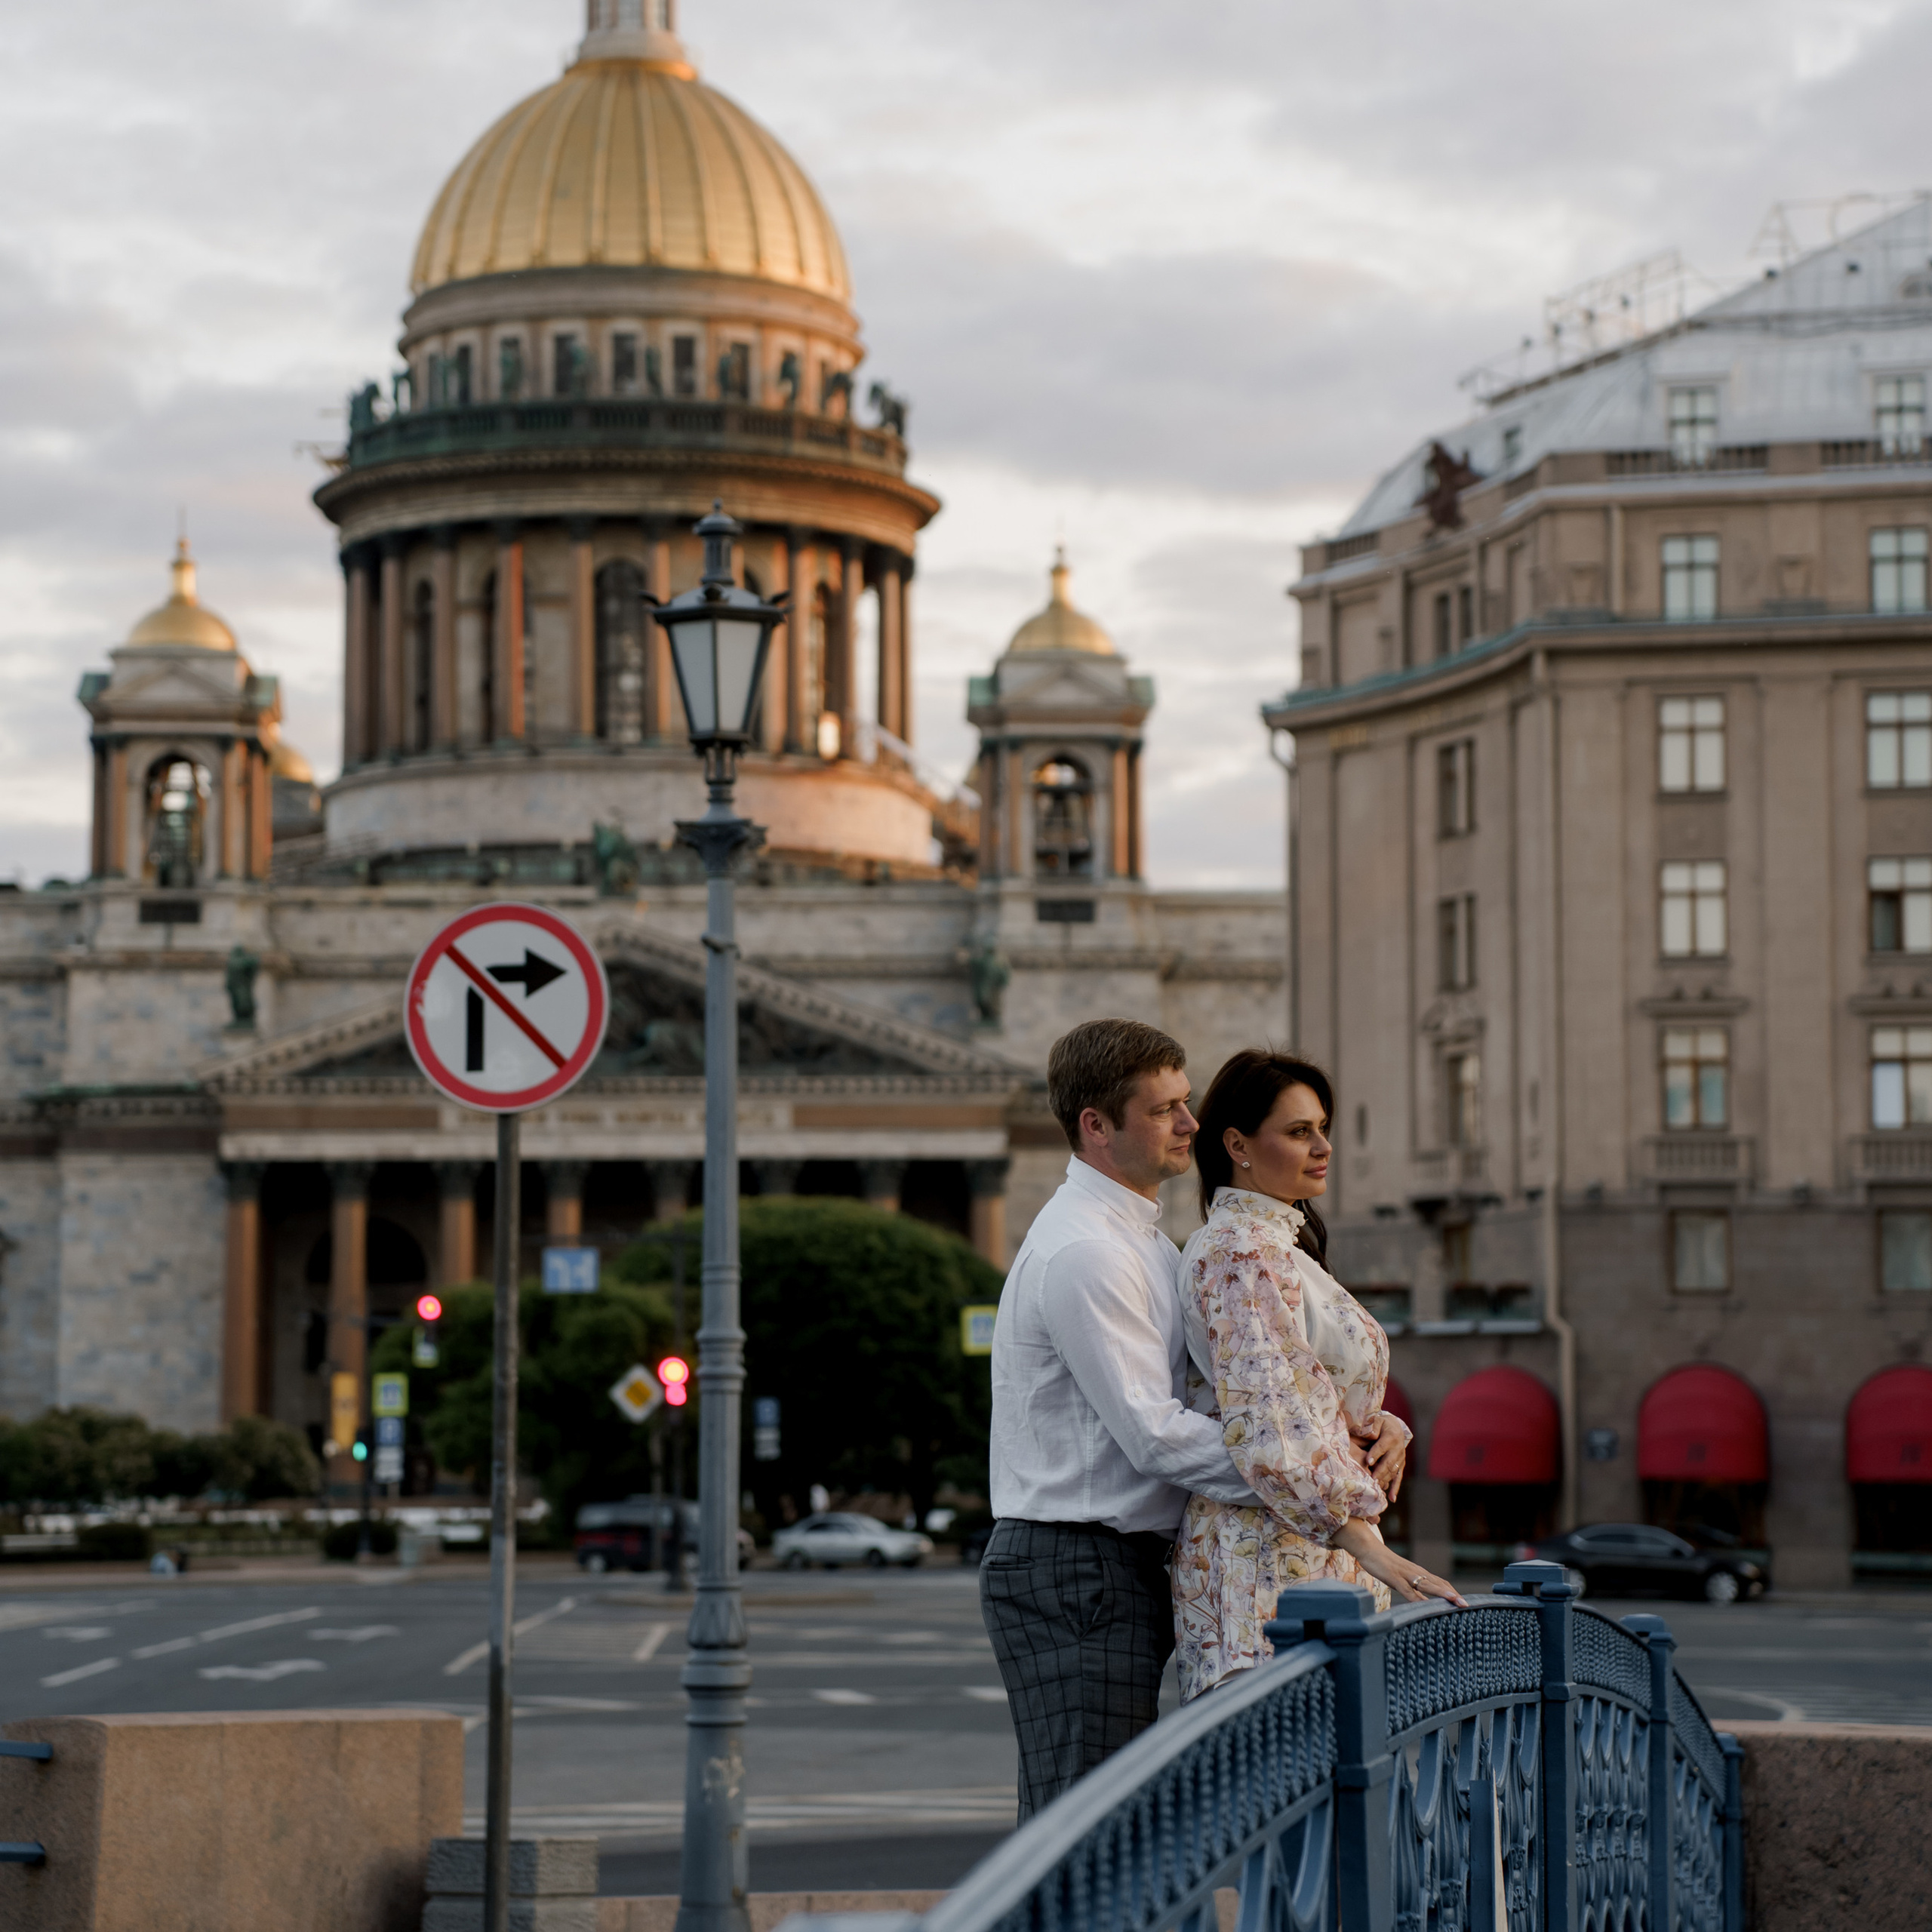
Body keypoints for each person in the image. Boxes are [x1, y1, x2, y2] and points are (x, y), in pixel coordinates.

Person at [981, 1017, 1262, 1820]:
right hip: (1079, 1564)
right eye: (1163, 1109)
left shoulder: (1139, 1239)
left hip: (1104, 1565)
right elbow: (1155, 1433)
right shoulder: (1088, 1251)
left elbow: (1201, 1402)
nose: (1190, 1123)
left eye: (1186, 1101)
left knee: (1099, 1823)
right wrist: (1298, 1477)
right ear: (1096, 1126)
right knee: (1087, 1827)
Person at [1171, 1049, 1465, 1702]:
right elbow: (1269, 1423)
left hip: (1311, 1556)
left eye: (1323, 1128)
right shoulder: (1240, 1252)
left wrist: (1384, 1424)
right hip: (1264, 1566)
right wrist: (1380, 1556)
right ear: (1237, 1145)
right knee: (1280, 1758)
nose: (1323, 1147)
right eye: (1299, 1131)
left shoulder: (1279, 1245)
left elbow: (1307, 1387)